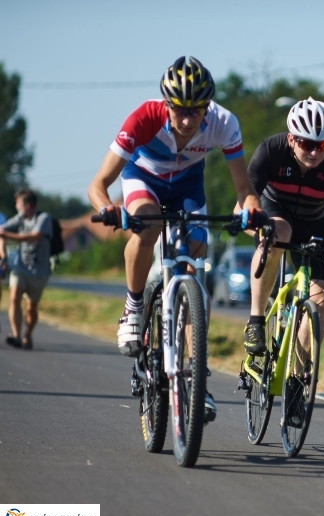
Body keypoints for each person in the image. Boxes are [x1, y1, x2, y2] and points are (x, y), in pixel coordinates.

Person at [87, 55, 263, 423]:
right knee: (148, 226)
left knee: (195, 263)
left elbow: (244, 187)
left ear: (207, 107)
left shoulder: (224, 123)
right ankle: (135, 307)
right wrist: (108, 209)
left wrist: (250, 208)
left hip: (187, 186)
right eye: (179, 110)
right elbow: (98, 184)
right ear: (165, 104)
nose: (187, 120)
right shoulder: (143, 118)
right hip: (144, 179)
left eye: (196, 111)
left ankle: (196, 376)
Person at [242, 97, 324, 359]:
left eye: (322, 145)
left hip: (317, 221)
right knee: (280, 234)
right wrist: (259, 230)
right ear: (291, 139)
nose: (314, 152)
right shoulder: (271, 150)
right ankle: (256, 321)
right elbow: (243, 204)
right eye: (307, 144)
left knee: (321, 299)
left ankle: (299, 381)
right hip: (275, 210)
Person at [0, 188, 53, 350]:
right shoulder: (20, 218)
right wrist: (3, 254)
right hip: (20, 267)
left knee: (31, 307)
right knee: (14, 297)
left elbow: (33, 236)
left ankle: (27, 335)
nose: (16, 206)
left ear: (28, 205)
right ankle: (16, 335)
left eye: (18, 203)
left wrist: (8, 236)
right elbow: (2, 231)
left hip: (39, 271)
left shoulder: (44, 218)